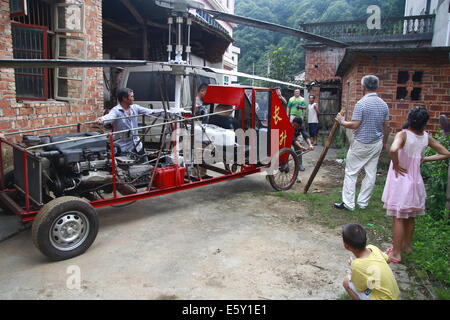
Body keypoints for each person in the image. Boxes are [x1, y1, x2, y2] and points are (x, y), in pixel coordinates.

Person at [382, 107, 450, 263]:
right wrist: (425, 159)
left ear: (409, 119)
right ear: (425, 123)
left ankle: (396, 253)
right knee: (410, 215)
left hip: (400, 180)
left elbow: (393, 149)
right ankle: (406, 246)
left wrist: (396, 162)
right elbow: (446, 153)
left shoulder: (403, 134)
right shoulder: (426, 137)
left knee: (398, 217)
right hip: (415, 181)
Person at [334, 75, 389, 211]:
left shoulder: (361, 104)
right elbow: (387, 126)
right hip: (376, 142)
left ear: (363, 87)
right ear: (376, 86)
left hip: (361, 143)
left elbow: (355, 125)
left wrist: (341, 121)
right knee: (370, 173)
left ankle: (348, 204)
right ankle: (363, 203)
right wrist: (385, 143)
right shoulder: (383, 104)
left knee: (351, 172)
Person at [342, 223, 400, 300]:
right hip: (394, 294)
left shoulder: (356, 265)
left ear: (346, 246)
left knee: (346, 282)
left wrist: (354, 266)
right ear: (366, 239)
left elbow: (360, 288)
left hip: (382, 298)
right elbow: (388, 259)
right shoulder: (372, 248)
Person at [96, 88, 162, 154]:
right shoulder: (116, 110)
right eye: (132, 96)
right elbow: (110, 117)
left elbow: (151, 112)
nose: (133, 98)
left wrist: (168, 112)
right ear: (124, 98)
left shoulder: (135, 108)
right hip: (122, 147)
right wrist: (102, 119)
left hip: (137, 145)